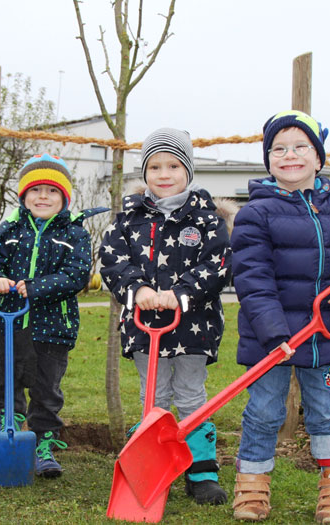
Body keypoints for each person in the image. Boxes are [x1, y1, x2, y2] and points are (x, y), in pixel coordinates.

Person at [230, 110, 330, 523]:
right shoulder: (255, 215)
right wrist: (274, 332)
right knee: (263, 412)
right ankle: (252, 487)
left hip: (325, 336)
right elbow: (253, 279)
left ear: (318, 157)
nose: (289, 155)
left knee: (326, 412)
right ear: (268, 159)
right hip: (270, 340)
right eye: (278, 149)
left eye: (300, 147)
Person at [99, 128, 234, 505]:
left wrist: (181, 293)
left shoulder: (206, 219)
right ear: (144, 173)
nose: (164, 173)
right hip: (144, 328)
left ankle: (201, 470)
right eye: (155, 166)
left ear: (188, 170)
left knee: (191, 395)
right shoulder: (129, 217)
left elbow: (219, 263)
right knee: (152, 396)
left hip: (194, 326)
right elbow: (111, 258)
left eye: (174, 165)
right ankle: (151, 465)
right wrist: (138, 289)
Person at [0, 153, 106, 478]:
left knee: (46, 391)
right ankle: (11, 434)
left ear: (64, 198)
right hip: (9, 323)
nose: (42, 197)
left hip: (53, 328)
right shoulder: (12, 227)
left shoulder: (73, 232)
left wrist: (33, 287)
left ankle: (44, 444)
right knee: (5, 382)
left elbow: (75, 275)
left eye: (52, 191)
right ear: (24, 196)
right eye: (35, 190)